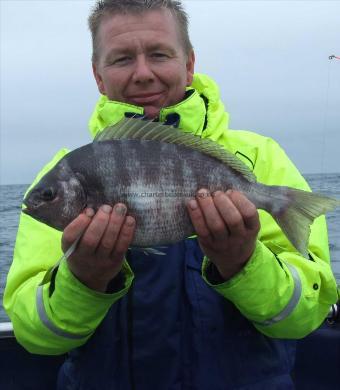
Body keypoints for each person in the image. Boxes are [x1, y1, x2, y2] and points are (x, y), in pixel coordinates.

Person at [4, 1, 338, 389]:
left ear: (190, 63)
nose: (143, 73)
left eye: (159, 54)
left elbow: (305, 317)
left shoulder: (261, 157)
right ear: (98, 76)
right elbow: (35, 336)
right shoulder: (63, 172)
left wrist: (243, 262)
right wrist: (84, 279)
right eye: (122, 58)